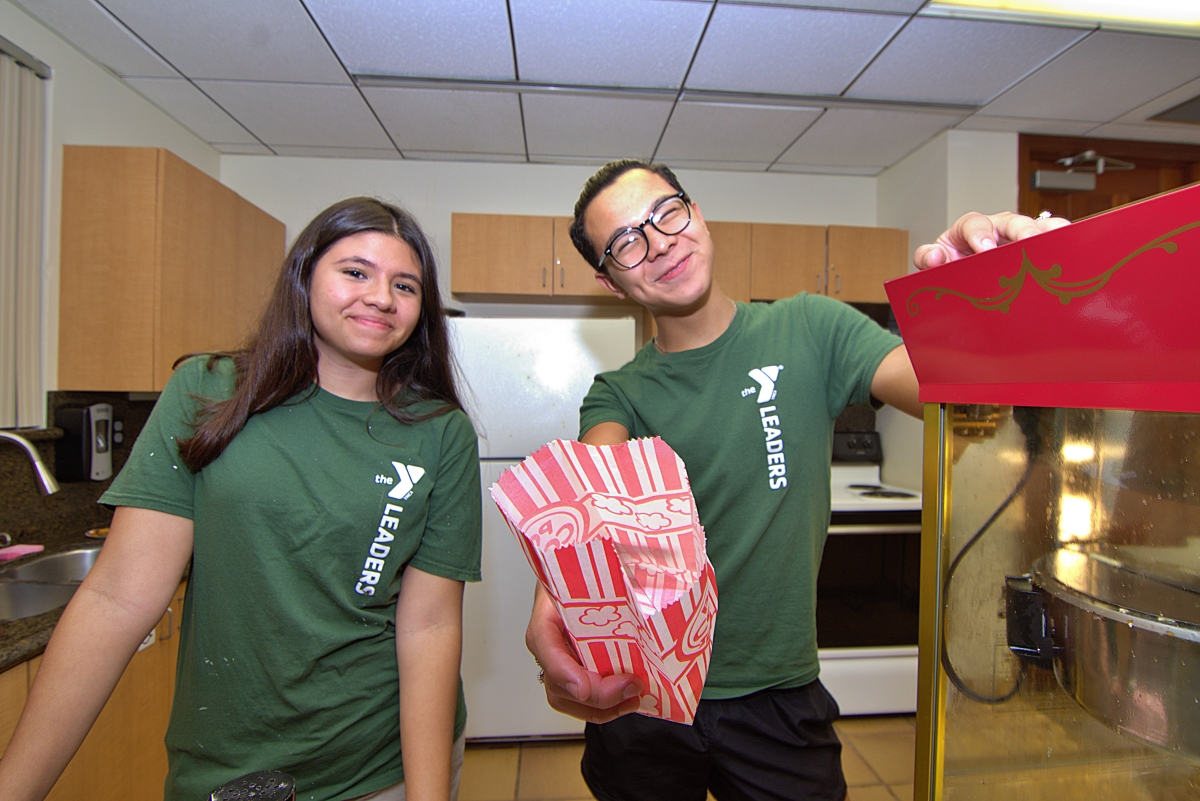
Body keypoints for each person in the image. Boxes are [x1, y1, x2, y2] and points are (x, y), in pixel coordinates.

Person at [525, 160, 1068, 801]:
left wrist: (987, 289)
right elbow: (591, 506)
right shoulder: (618, 394)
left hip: (778, 693)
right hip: (646, 695)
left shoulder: (811, 328)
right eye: (626, 242)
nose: (660, 241)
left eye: (667, 212)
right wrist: (552, 604)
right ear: (609, 281)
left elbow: (962, 395)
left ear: (696, 212)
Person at [0, 197, 482, 801]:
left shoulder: (438, 432)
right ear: (304, 277)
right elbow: (118, 597)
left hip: (377, 765)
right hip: (227, 769)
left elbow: (430, 626)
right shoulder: (209, 392)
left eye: (405, 284)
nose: (381, 297)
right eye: (355, 272)